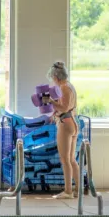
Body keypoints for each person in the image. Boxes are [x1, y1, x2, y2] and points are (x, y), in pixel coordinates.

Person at [41, 61, 78, 200]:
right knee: (72, 159)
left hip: (65, 123)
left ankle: (68, 191)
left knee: (65, 159)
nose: (52, 80)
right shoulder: (70, 86)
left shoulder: (64, 88)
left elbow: (64, 108)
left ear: (56, 77)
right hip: (72, 123)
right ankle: (77, 190)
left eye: (52, 78)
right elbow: (66, 106)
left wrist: (51, 101)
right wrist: (52, 113)